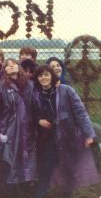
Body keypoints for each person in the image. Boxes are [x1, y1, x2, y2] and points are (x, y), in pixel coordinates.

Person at [32, 65, 99, 198]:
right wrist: (39, 120)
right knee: (47, 166)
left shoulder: (66, 90)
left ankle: (66, 193)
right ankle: (39, 194)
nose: (43, 78)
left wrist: (89, 134)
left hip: (68, 135)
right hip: (49, 137)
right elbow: (32, 114)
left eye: (46, 74)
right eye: (40, 75)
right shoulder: (36, 95)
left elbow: (80, 112)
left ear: (52, 76)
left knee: (68, 166)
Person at [0, 58, 36, 198]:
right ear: (4, 71)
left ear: (18, 67)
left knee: (27, 158)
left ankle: (26, 186)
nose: (11, 66)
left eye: (13, 63)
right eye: (7, 65)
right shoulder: (0, 86)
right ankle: (10, 190)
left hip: (27, 129)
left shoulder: (30, 85)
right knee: (10, 160)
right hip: (8, 130)